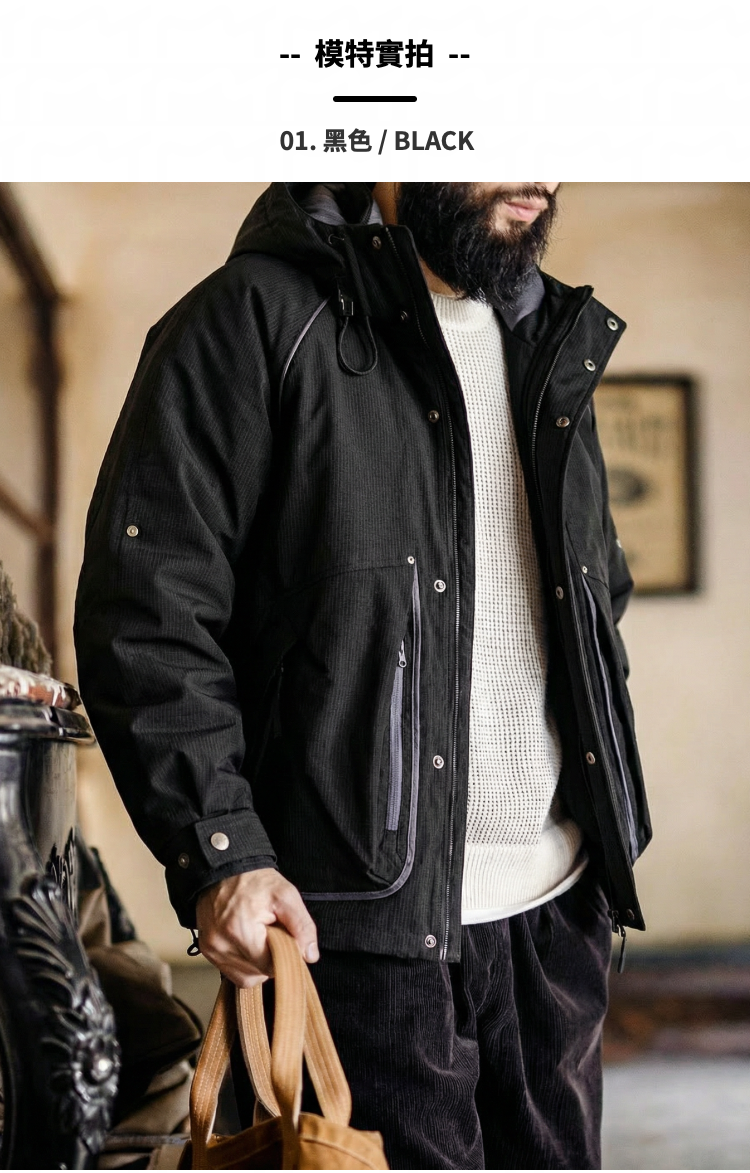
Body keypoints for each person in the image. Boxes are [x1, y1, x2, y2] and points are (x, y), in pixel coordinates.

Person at [74, 182, 652, 1169]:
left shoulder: (546, 341)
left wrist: (603, 840)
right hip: (348, 934)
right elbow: (150, 613)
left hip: (558, 918)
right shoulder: (252, 318)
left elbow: (594, 600)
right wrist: (221, 850)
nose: (540, 173)